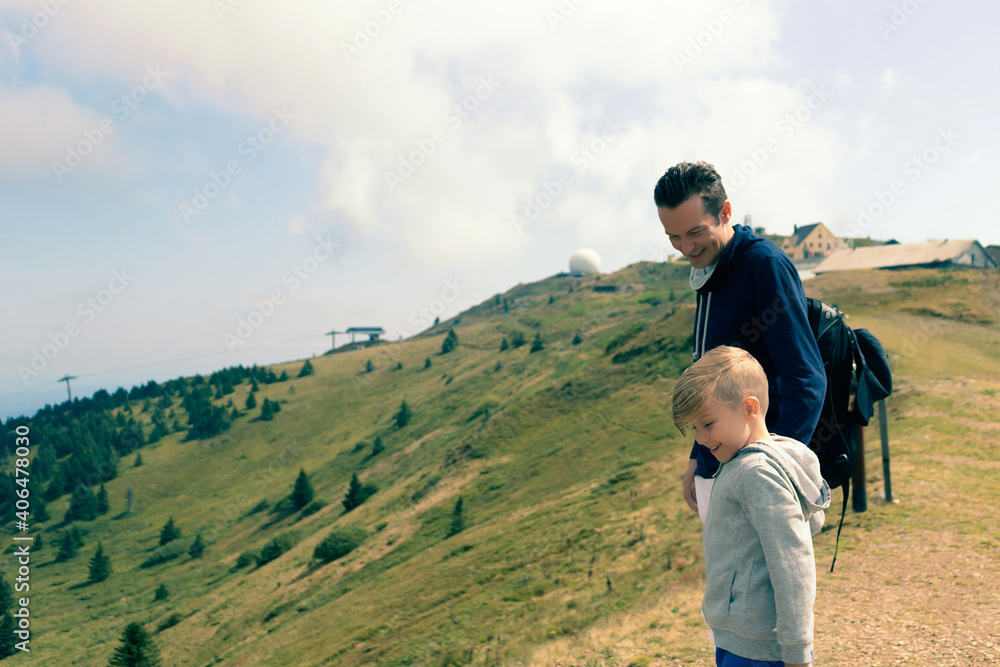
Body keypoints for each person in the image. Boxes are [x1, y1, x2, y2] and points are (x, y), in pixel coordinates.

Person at [654, 161, 826, 522]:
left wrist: (779, 468)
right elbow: (711, 383)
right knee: (730, 579)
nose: (685, 247)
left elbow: (806, 378)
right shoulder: (709, 264)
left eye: (695, 232)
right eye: (673, 237)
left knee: (768, 577)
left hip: (756, 471)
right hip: (716, 462)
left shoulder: (763, 266)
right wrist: (696, 460)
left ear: (725, 212)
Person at [671, 345, 830, 667]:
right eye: (694, 428)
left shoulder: (757, 474)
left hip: (759, 648)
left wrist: (797, 651)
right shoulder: (743, 462)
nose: (700, 438)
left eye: (708, 424)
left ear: (749, 408)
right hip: (739, 636)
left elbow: (793, 564)